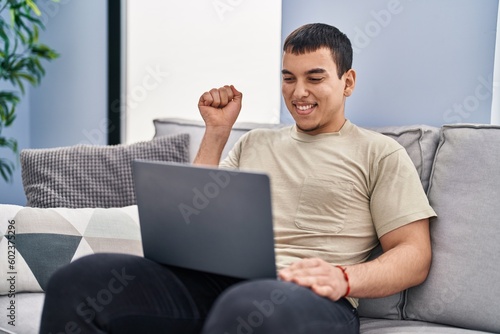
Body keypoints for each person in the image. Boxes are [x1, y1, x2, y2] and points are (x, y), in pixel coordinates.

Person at [39, 23, 436, 334]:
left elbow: (413, 255)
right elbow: (192, 220)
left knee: (247, 306)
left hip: (309, 300)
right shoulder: (255, 143)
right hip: (216, 284)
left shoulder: (379, 152)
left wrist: (343, 278)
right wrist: (216, 133)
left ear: (347, 81)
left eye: (315, 78)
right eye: (288, 77)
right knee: (80, 280)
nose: (299, 92)